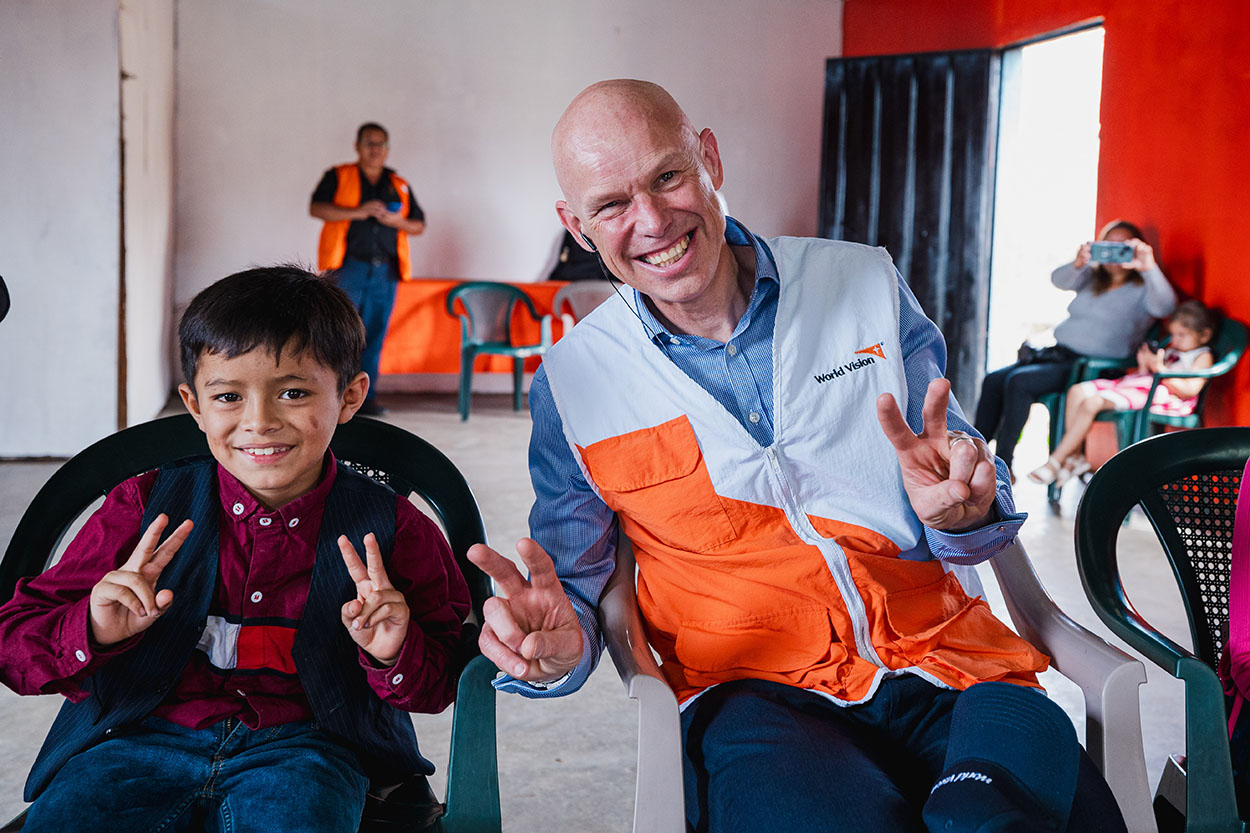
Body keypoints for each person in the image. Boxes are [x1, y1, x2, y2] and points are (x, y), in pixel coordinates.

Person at [467, 79, 1126, 833]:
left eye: (667, 176)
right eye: (611, 205)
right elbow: (575, 590)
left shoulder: (861, 283)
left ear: (708, 157)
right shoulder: (575, 384)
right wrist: (556, 652)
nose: (651, 221)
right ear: (576, 227)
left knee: (991, 816)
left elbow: (958, 471)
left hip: (956, 662)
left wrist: (970, 507)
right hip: (753, 694)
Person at [0, 266, 470, 832]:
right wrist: (91, 628)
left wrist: (394, 649)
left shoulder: (396, 527)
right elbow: (14, 644)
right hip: (129, 739)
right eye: (228, 396)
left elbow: (447, 678)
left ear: (349, 397)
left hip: (311, 749)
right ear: (194, 405)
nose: (260, 422)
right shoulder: (143, 506)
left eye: (293, 392)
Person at [974, 220, 1177, 480]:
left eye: (1123, 246)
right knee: (993, 380)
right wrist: (1078, 262)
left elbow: (1166, 307)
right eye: (1109, 244)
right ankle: (976, 453)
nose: (1115, 252)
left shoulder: (1143, 288)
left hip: (1090, 366)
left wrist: (1148, 267)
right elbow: (1057, 280)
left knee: (1018, 382)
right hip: (1058, 355)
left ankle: (1003, 464)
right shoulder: (1094, 278)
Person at [1029, 299, 1218, 485]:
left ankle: (1056, 460)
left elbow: (1189, 390)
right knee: (1077, 391)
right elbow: (1149, 375)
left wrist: (1161, 370)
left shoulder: (1202, 356)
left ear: (1204, 335)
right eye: (1173, 334)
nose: (1174, 340)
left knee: (1092, 403)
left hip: (1166, 397)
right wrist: (1146, 365)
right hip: (1143, 386)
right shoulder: (1173, 351)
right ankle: (1076, 456)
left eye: (1182, 335)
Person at [310, 122, 427, 416]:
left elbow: (418, 224)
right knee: (339, 333)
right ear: (358, 146)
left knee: (374, 334)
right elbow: (317, 208)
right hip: (347, 268)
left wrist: (395, 222)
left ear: (387, 149)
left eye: (380, 144)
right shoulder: (339, 176)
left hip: (386, 272)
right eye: (369, 143)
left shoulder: (398, 184)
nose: (375, 150)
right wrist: (358, 212)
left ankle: (367, 398)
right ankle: (331, 397)